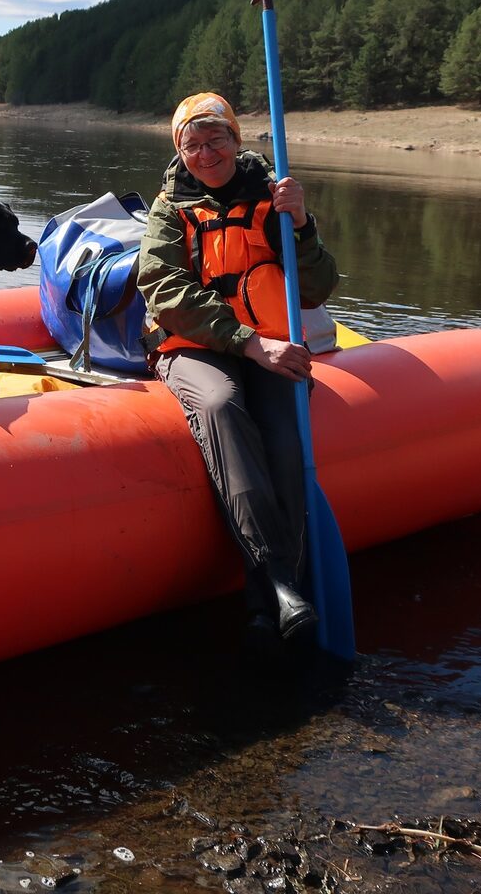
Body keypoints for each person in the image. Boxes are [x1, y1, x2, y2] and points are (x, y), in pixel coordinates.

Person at [136, 92, 339, 646]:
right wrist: (248, 345)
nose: (205, 154)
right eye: (192, 145)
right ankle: (278, 579)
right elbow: (164, 292)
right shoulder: (167, 209)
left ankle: (264, 605)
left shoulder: (274, 198)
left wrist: (301, 225)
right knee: (223, 406)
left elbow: (317, 287)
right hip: (195, 347)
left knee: (282, 433)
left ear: (235, 139)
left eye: (215, 140)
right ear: (180, 152)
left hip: (270, 345)